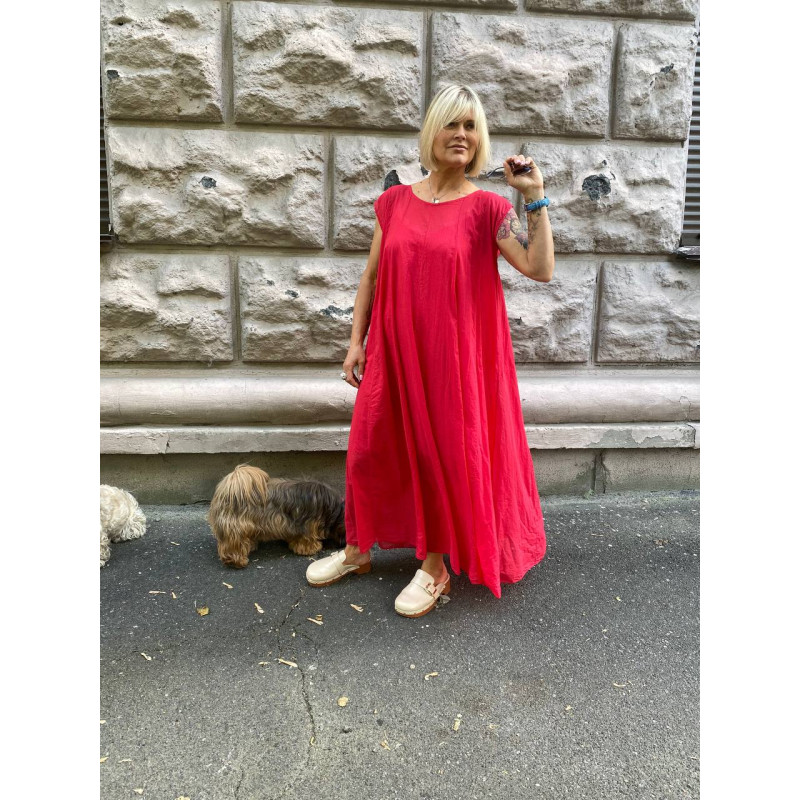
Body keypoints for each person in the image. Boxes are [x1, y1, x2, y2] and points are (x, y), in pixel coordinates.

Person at [306, 84, 555, 618]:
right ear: (432, 131)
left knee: (442, 455)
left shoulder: (489, 209)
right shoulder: (394, 202)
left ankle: (435, 566)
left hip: (452, 359)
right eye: (452, 123)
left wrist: (533, 195)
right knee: (372, 448)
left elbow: (539, 268)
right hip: (394, 348)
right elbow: (371, 276)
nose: (462, 135)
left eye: (471, 126)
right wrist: (355, 342)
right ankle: (357, 549)